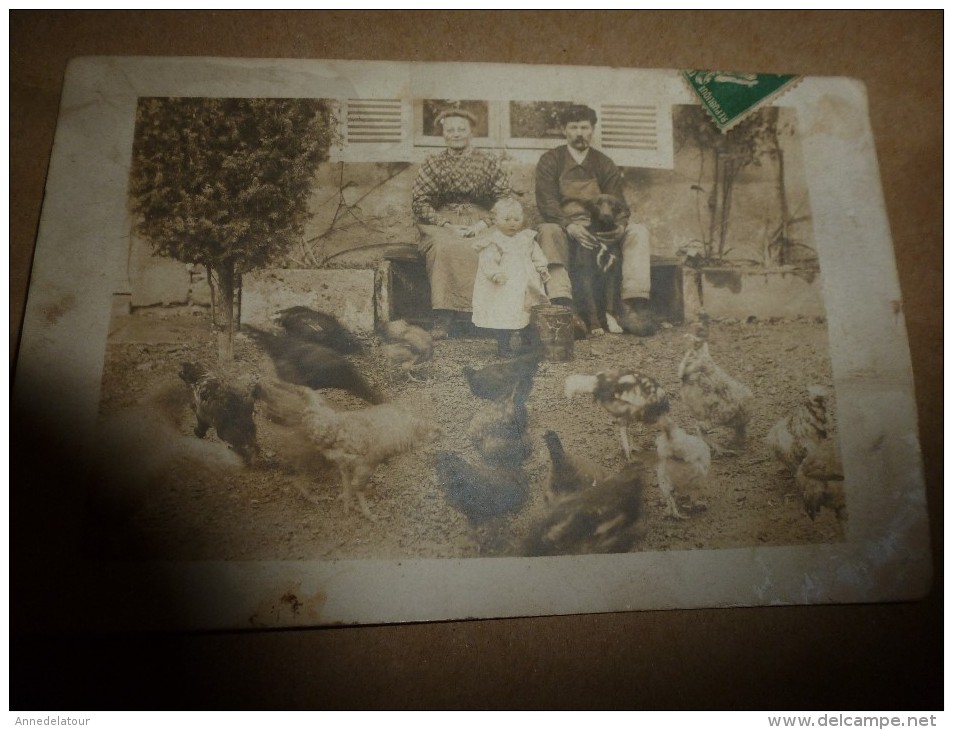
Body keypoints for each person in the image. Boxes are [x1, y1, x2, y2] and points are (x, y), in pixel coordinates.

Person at [535, 104, 656, 336]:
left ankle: (631, 305)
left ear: (592, 130)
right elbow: (546, 201)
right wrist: (569, 225)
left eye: (585, 127)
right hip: (564, 225)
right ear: (564, 130)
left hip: (601, 226)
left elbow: (618, 202)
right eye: (573, 127)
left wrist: (620, 226)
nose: (579, 133)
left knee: (638, 232)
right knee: (548, 231)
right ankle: (564, 307)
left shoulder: (603, 163)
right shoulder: (551, 160)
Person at [412, 108, 511, 339]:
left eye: (461, 129)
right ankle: (443, 318)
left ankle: (487, 318)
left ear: (471, 133)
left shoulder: (488, 162)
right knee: (444, 247)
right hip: (444, 221)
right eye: (450, 130)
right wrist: (446, 224)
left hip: (481, 220)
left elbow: (504, 199)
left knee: (490, 245)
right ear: (444, 134)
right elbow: (420, 202)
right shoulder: (432, 163)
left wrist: (482, 224)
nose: (455, 134)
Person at [471, 198, 550, 356]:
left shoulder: (526, 239)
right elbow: (488, 261)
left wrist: (541, 267)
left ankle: (527, 346)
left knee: (527, 313)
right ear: (496, 220)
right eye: (507, 220)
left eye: (516, 219)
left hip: (525, 285)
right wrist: (496, 274)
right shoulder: (495, 241)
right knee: (504, 315)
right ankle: (504, 346)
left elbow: (536, 254)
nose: (512, 223)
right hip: (505, 287)